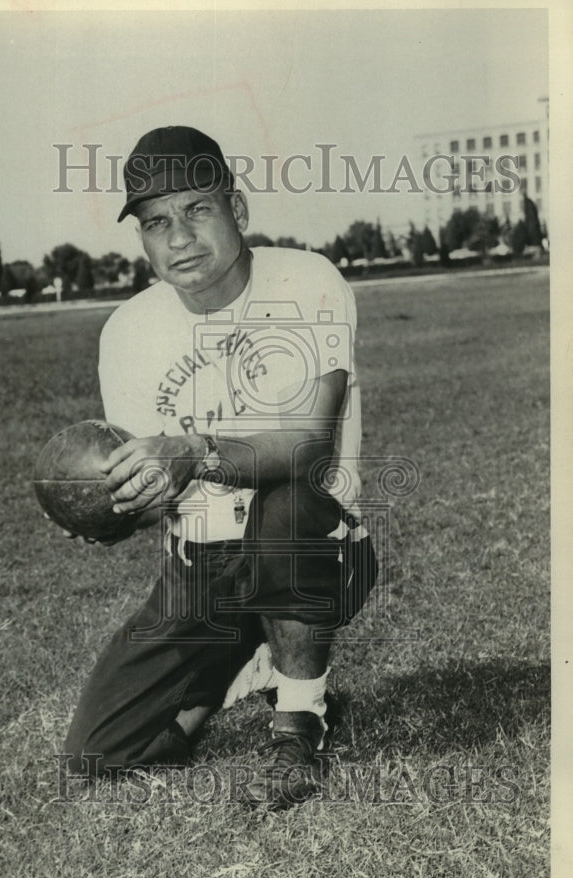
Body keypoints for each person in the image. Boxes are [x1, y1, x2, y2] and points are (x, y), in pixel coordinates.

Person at [60, 125, 377, 810]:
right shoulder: (127, 332)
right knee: (98, 753)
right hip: (201, 560)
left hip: (315, 539)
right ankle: (234, 661)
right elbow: (154, 489)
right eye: (155, 223)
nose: (177, 237)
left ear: (236, 211)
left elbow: (307, 445)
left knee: (284, 504)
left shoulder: (303, 280)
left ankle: (298, 724)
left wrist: (192, 450)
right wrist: (108, 508)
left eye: (196, 210)